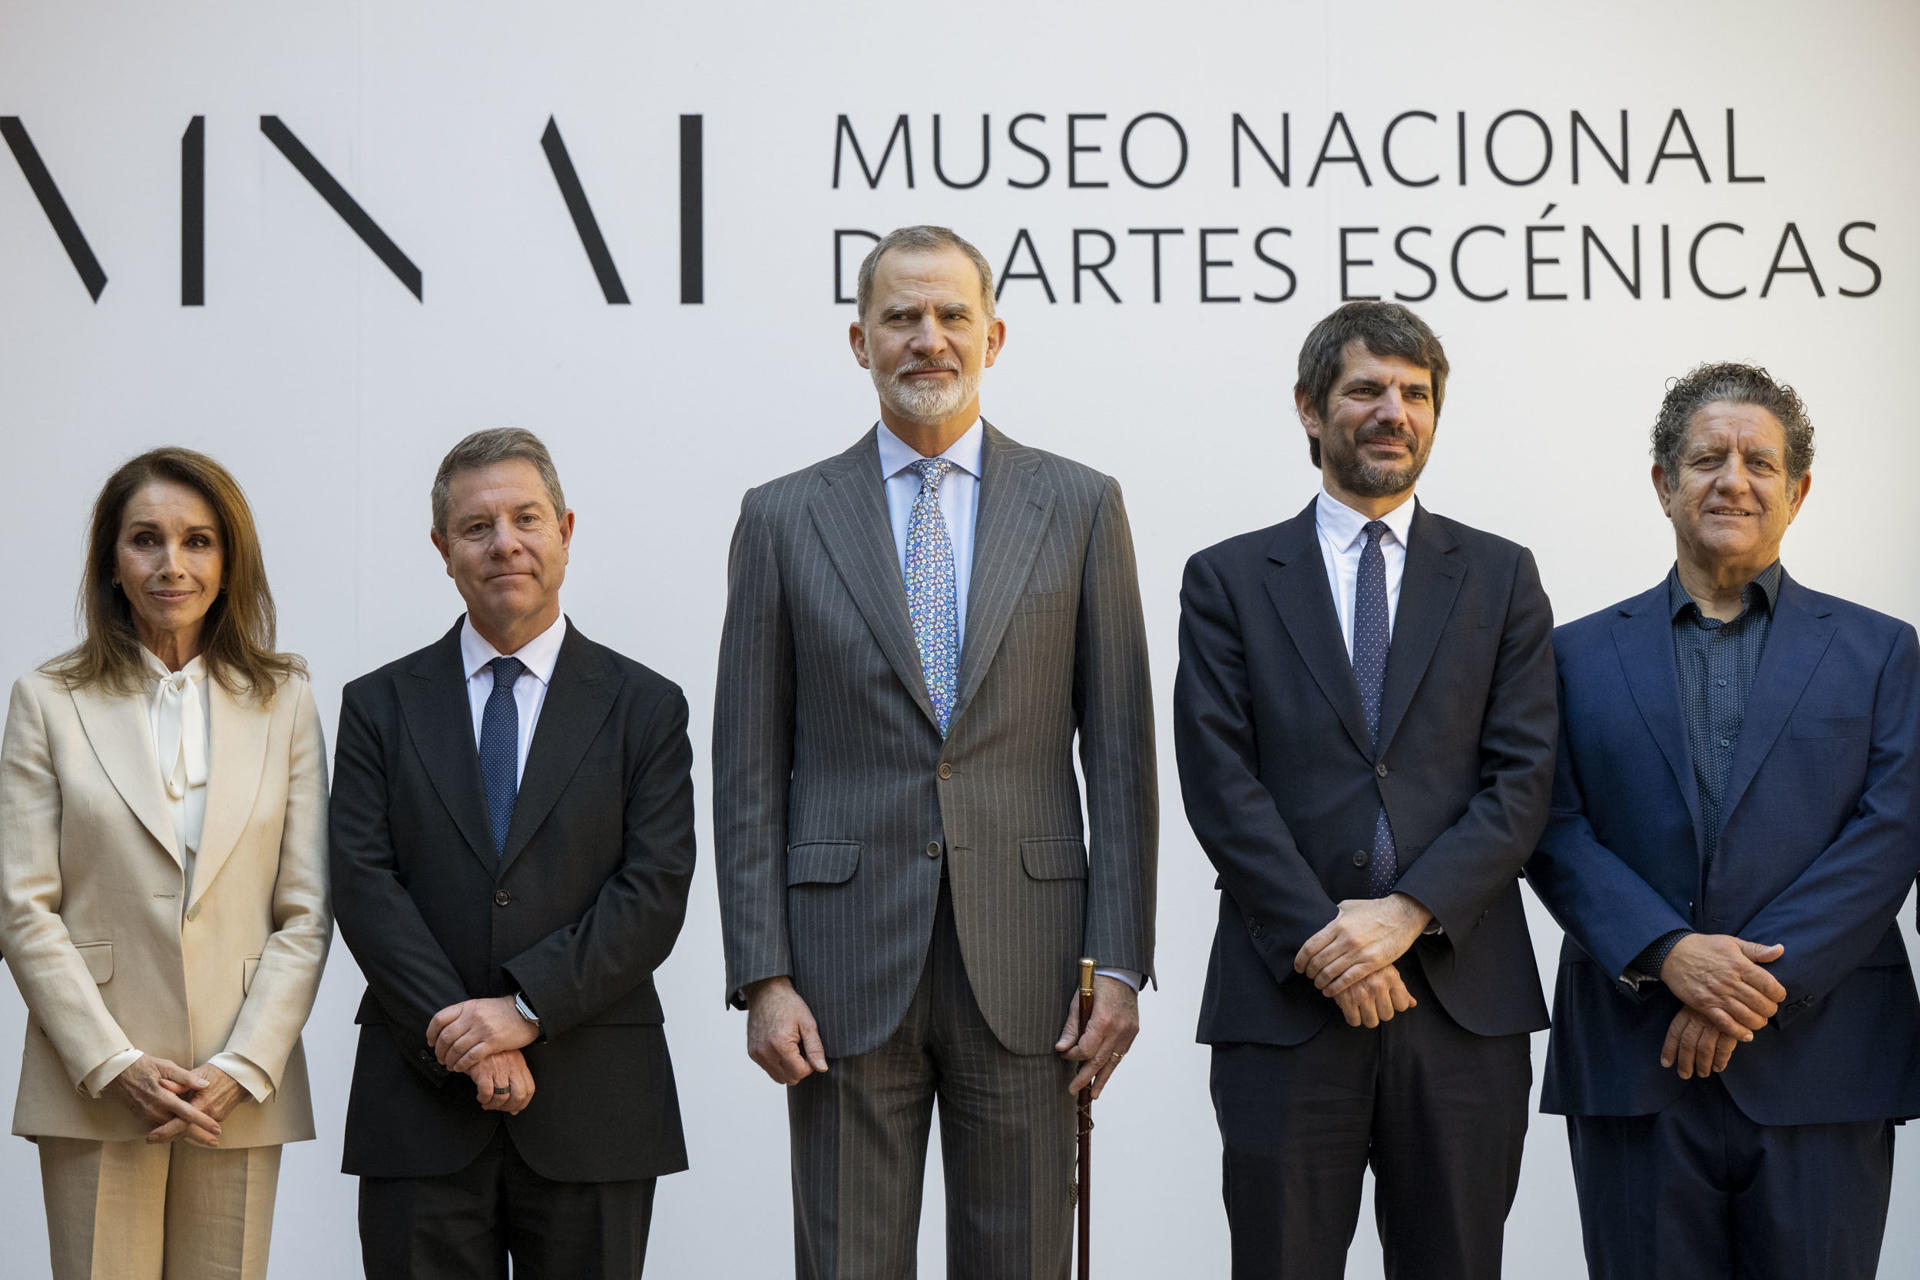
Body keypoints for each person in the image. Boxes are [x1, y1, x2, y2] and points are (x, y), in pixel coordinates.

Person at [714, 224, 1157, 1280]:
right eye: (901, 316)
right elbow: (746, 769)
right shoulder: (781, 518)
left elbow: (1123, 759)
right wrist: (762, 973)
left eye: (952, 315)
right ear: (858, 341)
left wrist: (1119, 962)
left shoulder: (1081, 504)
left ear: (993, 337)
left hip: (1034, 968)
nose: (928, 338)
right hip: (838, 971)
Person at [1173, 301, 1557, 1279]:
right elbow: (1220, 783)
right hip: (1287, 999)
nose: (1394, 412)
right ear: (1310, 409)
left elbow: (1523, 780)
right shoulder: (1227, 579)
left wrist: (1405, 913)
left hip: (1461, 1002)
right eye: (1367, 390)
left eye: (1415, 394)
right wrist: (1328, 941)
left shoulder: (1502, 577)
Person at [1525, 363, 1920, 1279]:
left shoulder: (1882, 652)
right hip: (1636, 1060)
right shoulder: (1570, 655)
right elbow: (1549, 824)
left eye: (1759, 462)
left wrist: (1742, 988)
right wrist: (1668, 952)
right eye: (1707, 459)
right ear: (1663, 483)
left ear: (1798, 491)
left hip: (1825, 1064)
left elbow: (1893, 830)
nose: (1732, 481)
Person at [329, 428, 695, 1279]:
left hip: (594, 1100)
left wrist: (526, 1009)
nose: (504, 543)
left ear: (565, 531)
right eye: (476, 526)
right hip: (419, 1102)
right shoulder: (378, 705)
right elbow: (364, 885)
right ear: (442, 550)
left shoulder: (646, 706)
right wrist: (471, 1039)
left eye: (526, 518)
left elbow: (652, 892)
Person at [0, 447, 331, 1280]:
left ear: (229, 560)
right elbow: (22, 907)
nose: (171, 564)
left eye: (198, 541)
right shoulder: (47, 699)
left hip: (237, 1087)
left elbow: (306, 910)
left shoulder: (286, 699)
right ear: (112, 561)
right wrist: (113, 1063)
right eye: (145, 539)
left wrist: (242, 1064)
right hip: (94, 1083)